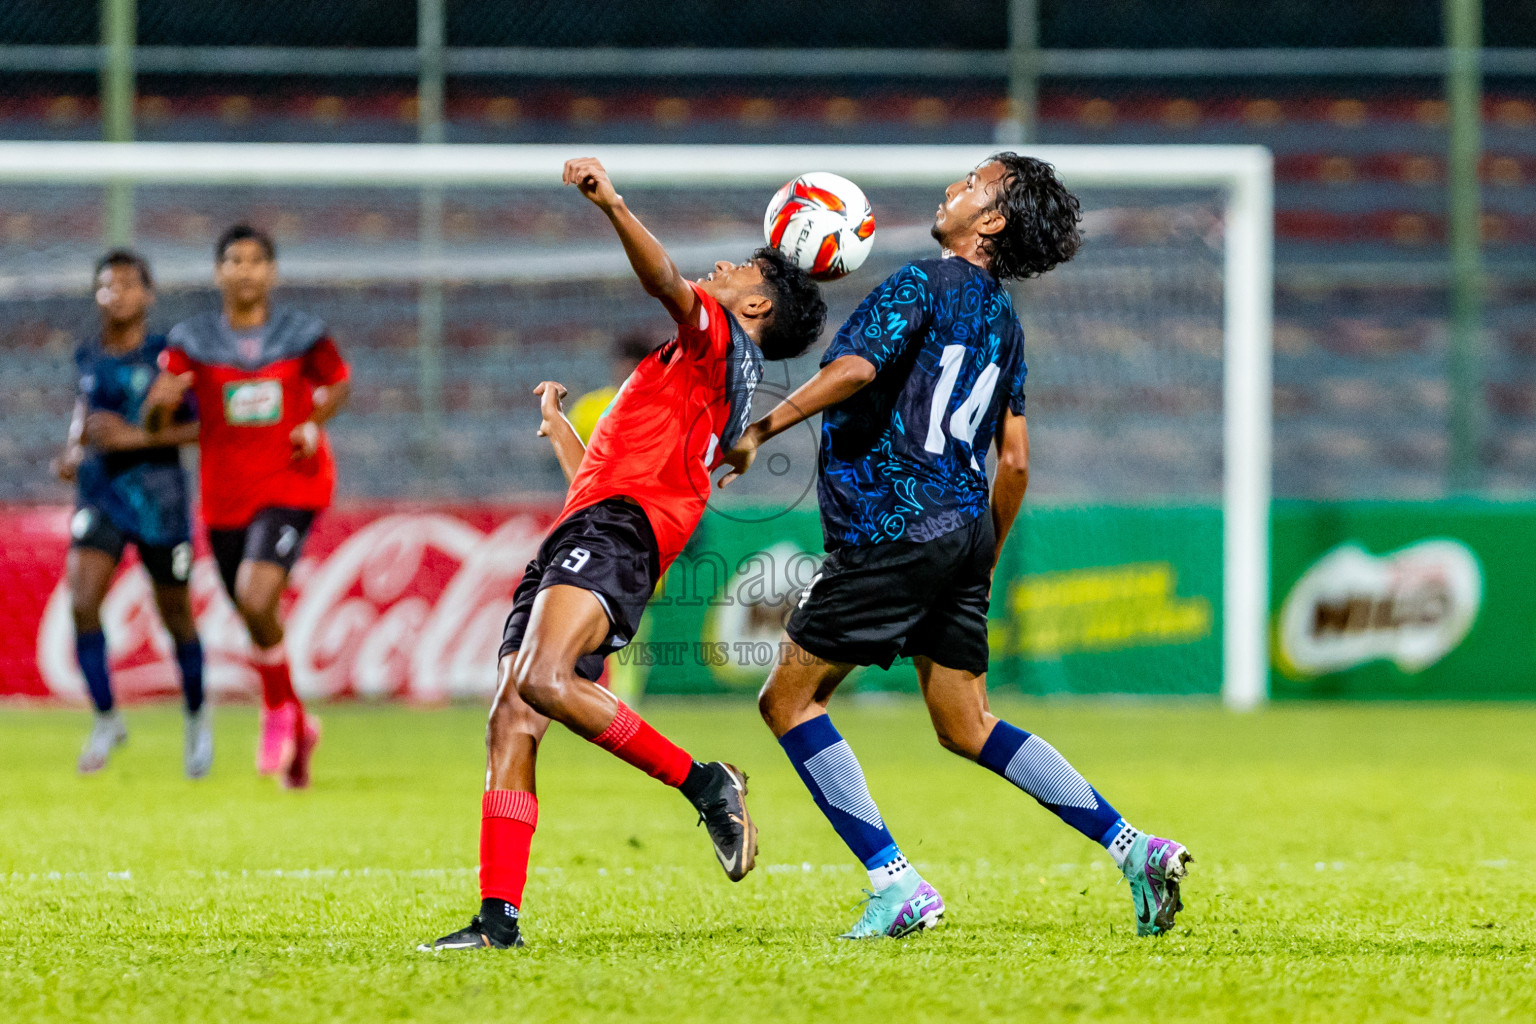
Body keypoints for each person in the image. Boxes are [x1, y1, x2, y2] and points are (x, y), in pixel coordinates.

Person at [722, 154, 1193, 939]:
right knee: (965, 720)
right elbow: (1015, 460)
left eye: (972, 183)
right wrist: (985, 555)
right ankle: (1133, 847)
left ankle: (894, 882)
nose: (952, 188)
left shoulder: (919, 282)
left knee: (789, 699)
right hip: (962, 528)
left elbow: (854, 367)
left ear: (992, 220)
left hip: (891, 526)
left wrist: (760, 428)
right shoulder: (1005, 323)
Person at [421, 156, 827, 952]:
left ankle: (708, 784)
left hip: (618, 536)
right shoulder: (699, 376)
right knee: (513, 718)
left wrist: (611, 203)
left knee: (542, 679)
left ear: (757, 302)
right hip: (593, 528)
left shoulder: (719, 343)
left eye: (742, 266)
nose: (726, 265)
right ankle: (498, 921)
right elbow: (604, 482)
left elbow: (667, 282)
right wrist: (562, 432)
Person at [142, 223, 351, 790]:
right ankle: (301, 729)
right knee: (254, 613)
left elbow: (337, 383)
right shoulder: (191, 340)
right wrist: (159, 406)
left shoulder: (303, 334)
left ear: (272, 272)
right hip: (225, 498)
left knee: (258, 598)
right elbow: (162, 419)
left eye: (256, 260)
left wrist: (315, 419)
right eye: (234, 260)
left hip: (292, 483)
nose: (245, 270)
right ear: (218, 273)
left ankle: (277, 711)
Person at [54, 249, 209, 777]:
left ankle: (195, 719)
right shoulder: (89, 354)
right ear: (97, 295)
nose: (116, 293)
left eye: (127, 284)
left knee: (177, 617)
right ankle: (105, 718)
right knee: (81, 600)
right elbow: (85, 409)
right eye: (107, 285)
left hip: (159, 501)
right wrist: (74, 450)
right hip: (100, 496)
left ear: (148, 294)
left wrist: (136, 438)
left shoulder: (169, 357)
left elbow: (202, 427)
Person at [566, 332, 654, 444]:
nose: (627, 375)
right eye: (624, 369)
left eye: (633, 369)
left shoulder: (662, 409)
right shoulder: (589, 407)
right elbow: (567, 447)